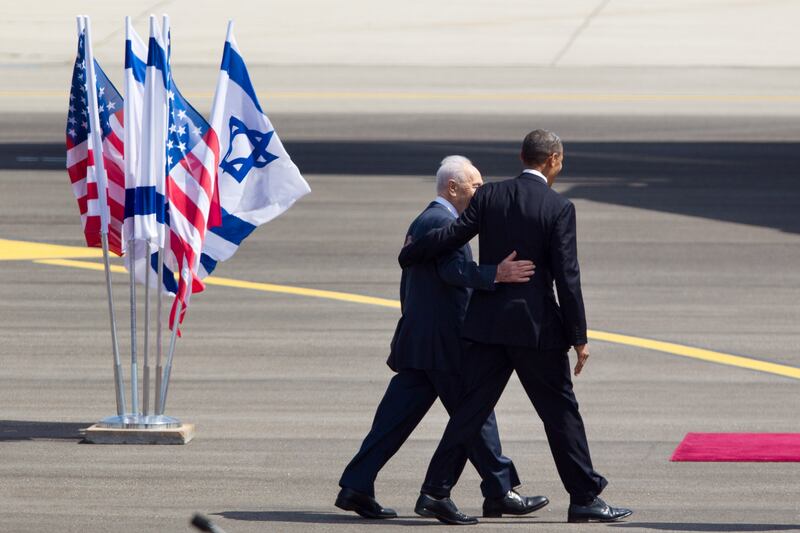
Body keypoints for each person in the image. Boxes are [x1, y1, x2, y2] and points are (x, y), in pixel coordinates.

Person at [398, 131, 633, 524]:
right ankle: (584, 497)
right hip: (535, 330)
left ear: (522, 157)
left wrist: (410, 253)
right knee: (560, 414)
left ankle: (435, 491)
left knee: (470, 410)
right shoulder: (558, 207)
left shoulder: (489, 196)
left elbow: (452, 235)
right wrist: (579, 337)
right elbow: (567, 277)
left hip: (487, 327)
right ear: (554, 160)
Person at [335, 156, 545, 525]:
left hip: (421, 342)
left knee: (393, 422)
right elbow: (453, 272)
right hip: (443, 344)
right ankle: (496, 491)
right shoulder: (442, 222)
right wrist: (498, 273)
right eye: (475, 185)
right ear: (453, 187)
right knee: (476, 414)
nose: (481, 192)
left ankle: (356, 485)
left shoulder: (429, 220)